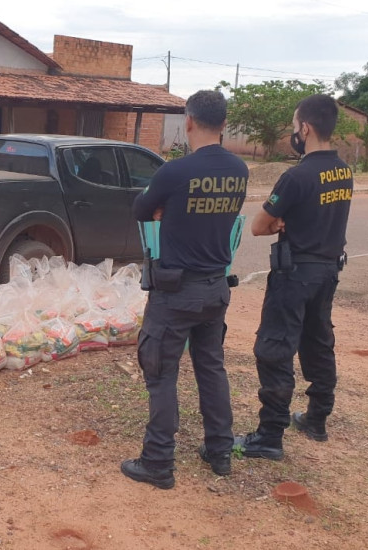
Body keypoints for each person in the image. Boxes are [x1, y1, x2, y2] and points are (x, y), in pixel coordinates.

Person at [122, 90, 248, 489]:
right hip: (215, 288)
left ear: (188, 121)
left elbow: (142, 210)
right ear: (224, 124)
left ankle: (158, 461)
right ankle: (220, 451)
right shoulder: (240, 170)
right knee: (211, 369)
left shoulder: (175, 172)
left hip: (175, 293)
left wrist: (166, 207)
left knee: (160, 373)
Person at [236, 94, 353, 460]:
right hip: (327, 272)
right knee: (318, 343)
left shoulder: (296, 176)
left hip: (294, 275)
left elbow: (258, 226)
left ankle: (270, 435)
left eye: (293, 126)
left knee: (274, 350)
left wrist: (279, 222)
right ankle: (317, 419)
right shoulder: (344, 172)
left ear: (305, 128)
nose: (293, 133)